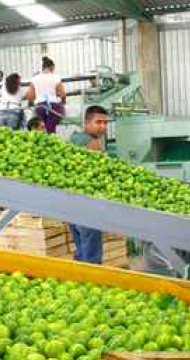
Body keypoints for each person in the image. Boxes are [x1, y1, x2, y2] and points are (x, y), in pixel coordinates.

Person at [67, 105, 110, 264]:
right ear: (86, 123)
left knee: (82, 250)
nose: (103, 127)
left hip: (71, 203)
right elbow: (100, 176)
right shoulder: (93, 144)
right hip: (88, 204)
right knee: (92, 255)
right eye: (98, 122)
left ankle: (81, 281)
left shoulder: (74, 138)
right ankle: (92, 281)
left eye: (106, 123)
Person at [26, 56, 67, 134]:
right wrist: (63, 101)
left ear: (43, 67)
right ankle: (51, 142)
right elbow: (63, 94)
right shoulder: (56, 77)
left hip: (40, 107)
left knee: (40, 129)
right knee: (50, 129)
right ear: (52, 67)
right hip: (54, 107)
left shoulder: (35, 78)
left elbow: (30, 96)